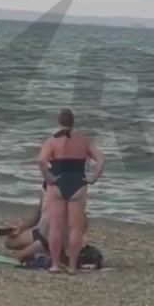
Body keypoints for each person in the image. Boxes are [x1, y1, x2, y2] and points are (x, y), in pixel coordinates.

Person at [39, 108, 104, 273]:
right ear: (73, 124)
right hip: (78, 183)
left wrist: (48, 177)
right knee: (75, 227)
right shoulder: (83, 141)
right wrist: (94, 178)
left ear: (59, 122)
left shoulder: (52, 141)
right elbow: (101, 160)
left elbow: (41, 161)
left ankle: (55, 264)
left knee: (56, 225)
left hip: (58, 182)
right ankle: (73, 266)